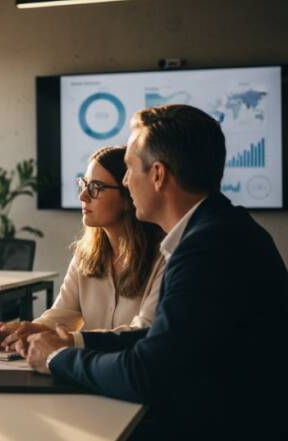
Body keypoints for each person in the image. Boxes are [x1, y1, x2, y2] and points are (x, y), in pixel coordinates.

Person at [21, 105, 288, 437]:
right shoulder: (218, 230)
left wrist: (57, 359)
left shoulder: (207, 249)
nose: (126, 181)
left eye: (130, 169)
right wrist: (72, 341)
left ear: (158, 175)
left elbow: (146, 373)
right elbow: (160, 339)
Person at [0, 146, 165, 350]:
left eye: (96, 187)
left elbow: (145, 333)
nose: (83, 196)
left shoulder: (163, 256)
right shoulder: (87, 254)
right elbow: (61, 316)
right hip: (87, 372)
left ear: (129, 194)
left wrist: (70, 340)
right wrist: (17, 332)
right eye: (83, 185)